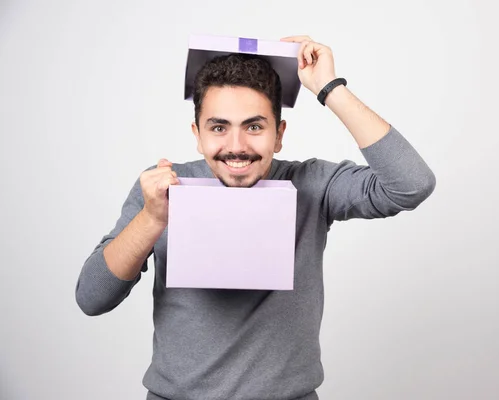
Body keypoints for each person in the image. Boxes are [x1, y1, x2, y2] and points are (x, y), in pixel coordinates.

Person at [75, 35, 436, 400]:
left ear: (278, 135)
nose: (236, 146)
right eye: (218, 127)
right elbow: (92, 298)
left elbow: (412, 184)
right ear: (197, 135)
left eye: (254, 127)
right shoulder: (161, 188)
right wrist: (152, 219)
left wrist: (329, 89)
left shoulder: (312, 184)